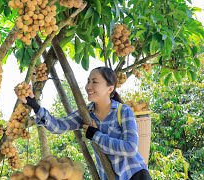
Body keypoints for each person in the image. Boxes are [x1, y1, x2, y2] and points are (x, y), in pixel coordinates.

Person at [19, 67, 151, 180]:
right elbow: (58, 126)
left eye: (94, 82)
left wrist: (96, 135)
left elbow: (131, 148)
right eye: (88, 81)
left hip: (134, 175)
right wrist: (35, 105)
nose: (88, 86)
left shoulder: (123, 111)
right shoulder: (86, 113)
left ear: (110, 88)